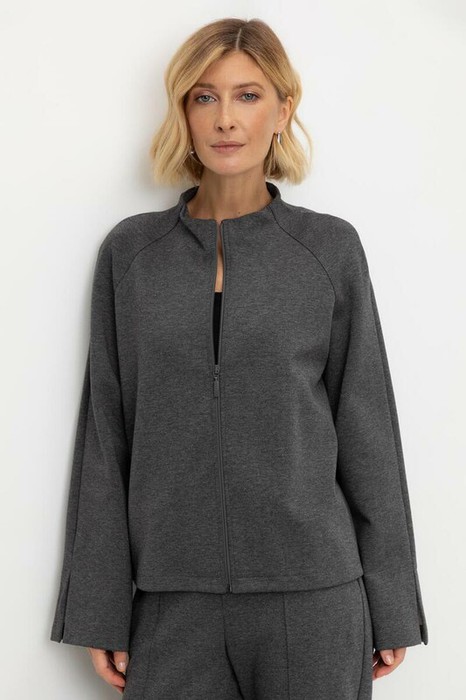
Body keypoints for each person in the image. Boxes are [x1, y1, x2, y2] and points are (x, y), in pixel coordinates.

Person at [50, 17, 428, 699]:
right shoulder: (132, 255)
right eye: (205, 97)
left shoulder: (328, 250)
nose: (226, 118)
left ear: (283, 110)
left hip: (313, 597)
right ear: (184, 113)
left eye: (248, 95)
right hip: (171, 601)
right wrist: (99, 607)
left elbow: (367, 426)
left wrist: (393, 600)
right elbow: (107, 437)